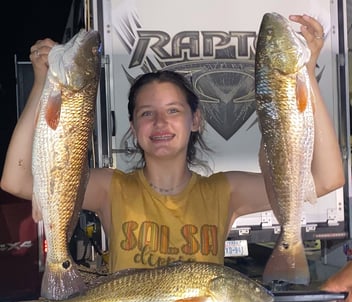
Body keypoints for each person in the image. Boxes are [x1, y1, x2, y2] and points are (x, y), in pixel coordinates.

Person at [0, 15, 345, 273]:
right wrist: (43, 85)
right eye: (147, 113)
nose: (161, 123)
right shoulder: (110, 188)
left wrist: (304, 74)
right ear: (134, 127)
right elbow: (15, 181)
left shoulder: (226, 191)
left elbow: (329, 177)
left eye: (174, 111)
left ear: (195, 120)